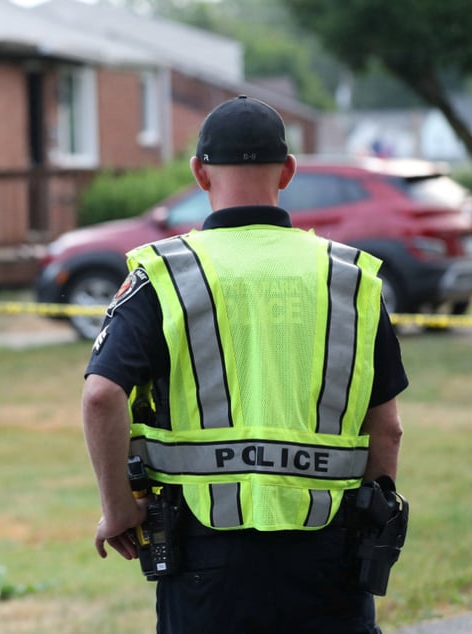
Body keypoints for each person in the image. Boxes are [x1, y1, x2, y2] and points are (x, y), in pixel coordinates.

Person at [81, 95, 408, 634]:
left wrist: (119, 510)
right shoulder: (348, 280)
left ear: (199, 173)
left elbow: (100, 396)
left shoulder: (165, 275)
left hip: (205, 560)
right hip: (328, 554)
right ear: (288, 171)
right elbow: (387, 429)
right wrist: (368, 526)